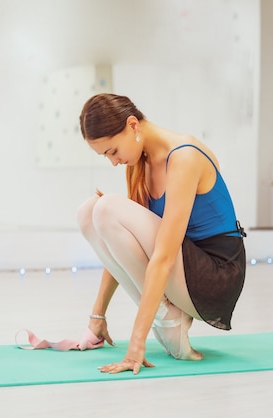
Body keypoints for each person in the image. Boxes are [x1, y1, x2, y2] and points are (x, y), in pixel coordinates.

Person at [76, 93, 246, 375]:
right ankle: (168, 317)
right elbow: (119, 244)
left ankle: (169, 323)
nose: (114, 162)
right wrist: (97, 316)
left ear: (133, 126)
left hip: (216, 276)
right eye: (106, 156)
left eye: (113, 151)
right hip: (184, 268)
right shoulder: (139, 162)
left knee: (105, 207)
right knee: (88, 212)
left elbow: (164, 256)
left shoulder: (184, 156)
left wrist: (136, 345)